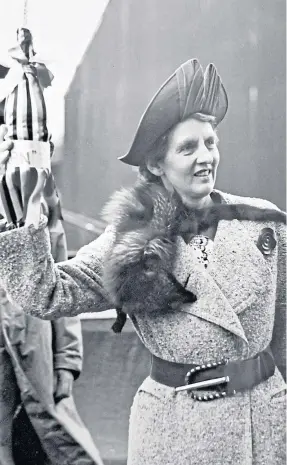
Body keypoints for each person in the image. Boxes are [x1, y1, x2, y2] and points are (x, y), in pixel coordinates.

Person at [0, 58, 285, 465]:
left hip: (267, 426)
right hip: (177, 433)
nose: (205, 157)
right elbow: (48, 294)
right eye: (188, 148)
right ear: (156, 164)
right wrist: (20, 233)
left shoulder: (265, 224)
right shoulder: (129, 241)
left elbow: (285, 331)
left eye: (211, 142)